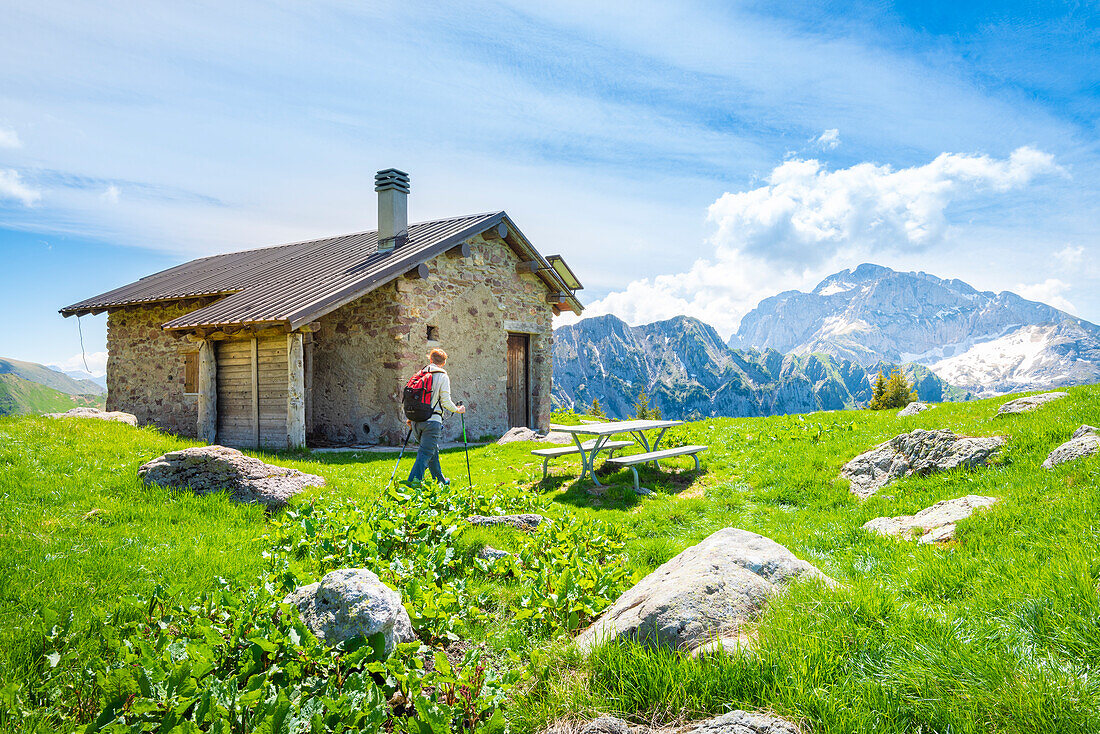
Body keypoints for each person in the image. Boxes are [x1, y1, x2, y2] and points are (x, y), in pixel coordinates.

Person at [404, 348, 466, 487]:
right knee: (425, 452)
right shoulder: (442, 376)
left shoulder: (419, 374)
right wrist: (457, 410)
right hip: (432, 422)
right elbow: (445, 401)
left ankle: (440, 481)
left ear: (430, 359)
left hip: (415, 421)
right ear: (443, 363)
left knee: (432, 450)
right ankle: (411, 485)